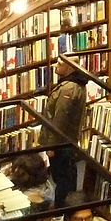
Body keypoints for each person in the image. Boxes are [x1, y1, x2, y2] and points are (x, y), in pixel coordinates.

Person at [39, 56, 89, 206]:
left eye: (60, 63)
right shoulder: (73, 84)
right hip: (66, 141)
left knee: (62, 178)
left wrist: (51, 146)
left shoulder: (69, 88)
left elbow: (60, 118)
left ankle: (62, 209)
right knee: (67, 175)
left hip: (61, 142)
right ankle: (68, 205)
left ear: (70, 67)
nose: (56, 65)